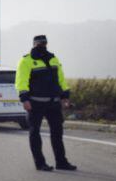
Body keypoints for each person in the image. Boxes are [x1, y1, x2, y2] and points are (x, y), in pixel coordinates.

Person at [16, 34, 77, 172]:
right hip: (35, 103)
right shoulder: (26, 61)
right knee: (34, 133)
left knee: (57, 132)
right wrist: (24, 99)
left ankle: (61, 162)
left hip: (53, 102)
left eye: (44, 43)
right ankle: (40, 163)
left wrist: (65, 96)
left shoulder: (53, 59)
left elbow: (61, 79)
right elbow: (21, 81)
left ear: (46, 44)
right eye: (39, 43)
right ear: (34, 44)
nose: (42, 45)